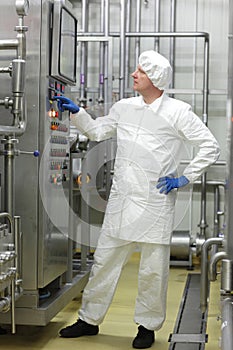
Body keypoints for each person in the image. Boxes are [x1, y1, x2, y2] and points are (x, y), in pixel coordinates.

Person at [54, 50, 220, 349]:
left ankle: (147, 326)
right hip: (122, 199)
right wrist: (77, 112)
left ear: (155, 78)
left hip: (155, 201)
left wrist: (185, 177)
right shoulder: (123, 107)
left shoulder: (178, 111)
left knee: (152, 270)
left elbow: (209, 145)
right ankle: (89, 320)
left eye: (140, 71)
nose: (134, 74)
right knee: (104, 261)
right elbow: (96, 131)